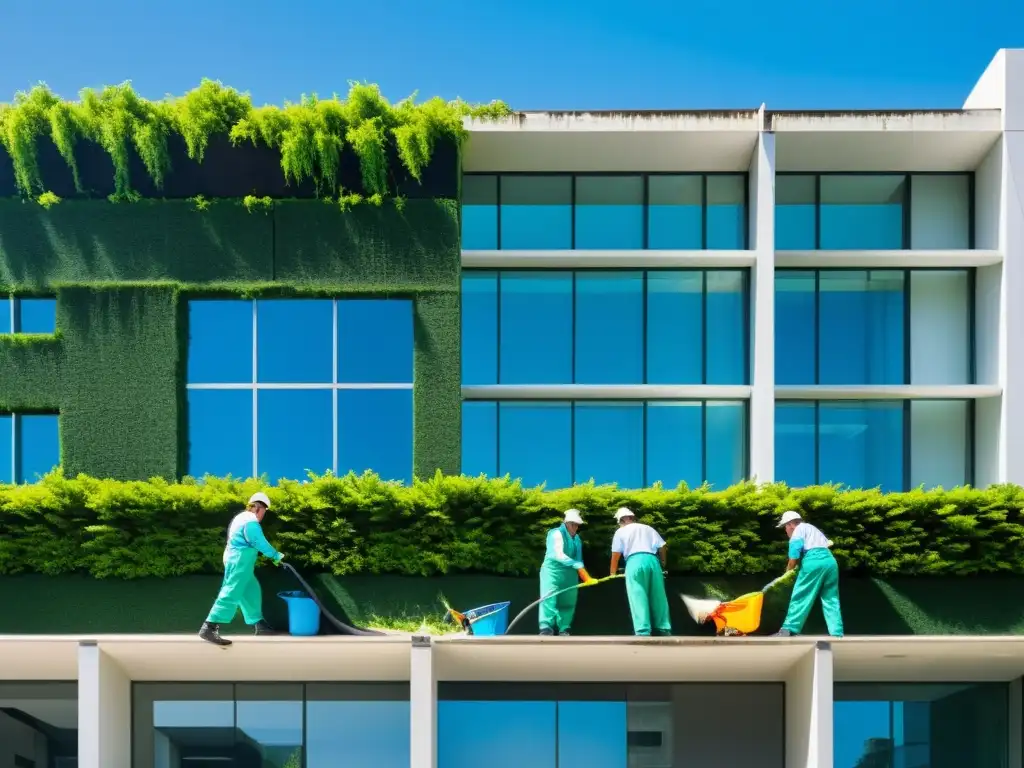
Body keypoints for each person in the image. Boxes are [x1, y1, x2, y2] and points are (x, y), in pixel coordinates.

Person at [199, 492, 285, 646]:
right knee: (232, 590)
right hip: (239, 560)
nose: (263, 516)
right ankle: (209, 627)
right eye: (264, 512)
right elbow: (257, 540)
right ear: (259, 508)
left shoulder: (242, 517)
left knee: (251, 590)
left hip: (238, 559)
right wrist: (275, 555)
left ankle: (259, 624)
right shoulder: (250, 520)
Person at [771, 510, 844, 638]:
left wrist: (787, 574)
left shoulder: (797, 531)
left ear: (790, 525)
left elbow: (793, 557)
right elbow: (827, 544)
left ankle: (788, 629)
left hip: (813, 561)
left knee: (801, 595)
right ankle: (837, 633)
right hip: (830, 562)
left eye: (785, 527)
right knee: (831, 598)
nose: (785, 530)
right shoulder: (812, 528)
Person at [608, 507, 672, 636]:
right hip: (653, 561)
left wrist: (612, 573)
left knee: (637, 595)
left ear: (621, 520)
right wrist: (663, 562)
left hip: (634, 561)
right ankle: (664, 628)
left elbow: (616, 554)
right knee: (659, 596)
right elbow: (662, 546)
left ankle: (643, 630)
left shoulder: (621, 531)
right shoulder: (648, 528)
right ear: (632, 517)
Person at [539, 509, 592, 636]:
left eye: (577, 524)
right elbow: (558, 554)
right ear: (566, 523)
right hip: (553, 571)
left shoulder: (577, 539)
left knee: (568, 600)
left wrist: (584, 575)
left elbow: (579, 558)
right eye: (572, 524)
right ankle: (546, 627)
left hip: (570, 574)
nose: (575, 527)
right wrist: (576, 564)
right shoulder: (556, 533)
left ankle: (564, 628)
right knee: (549, 598)